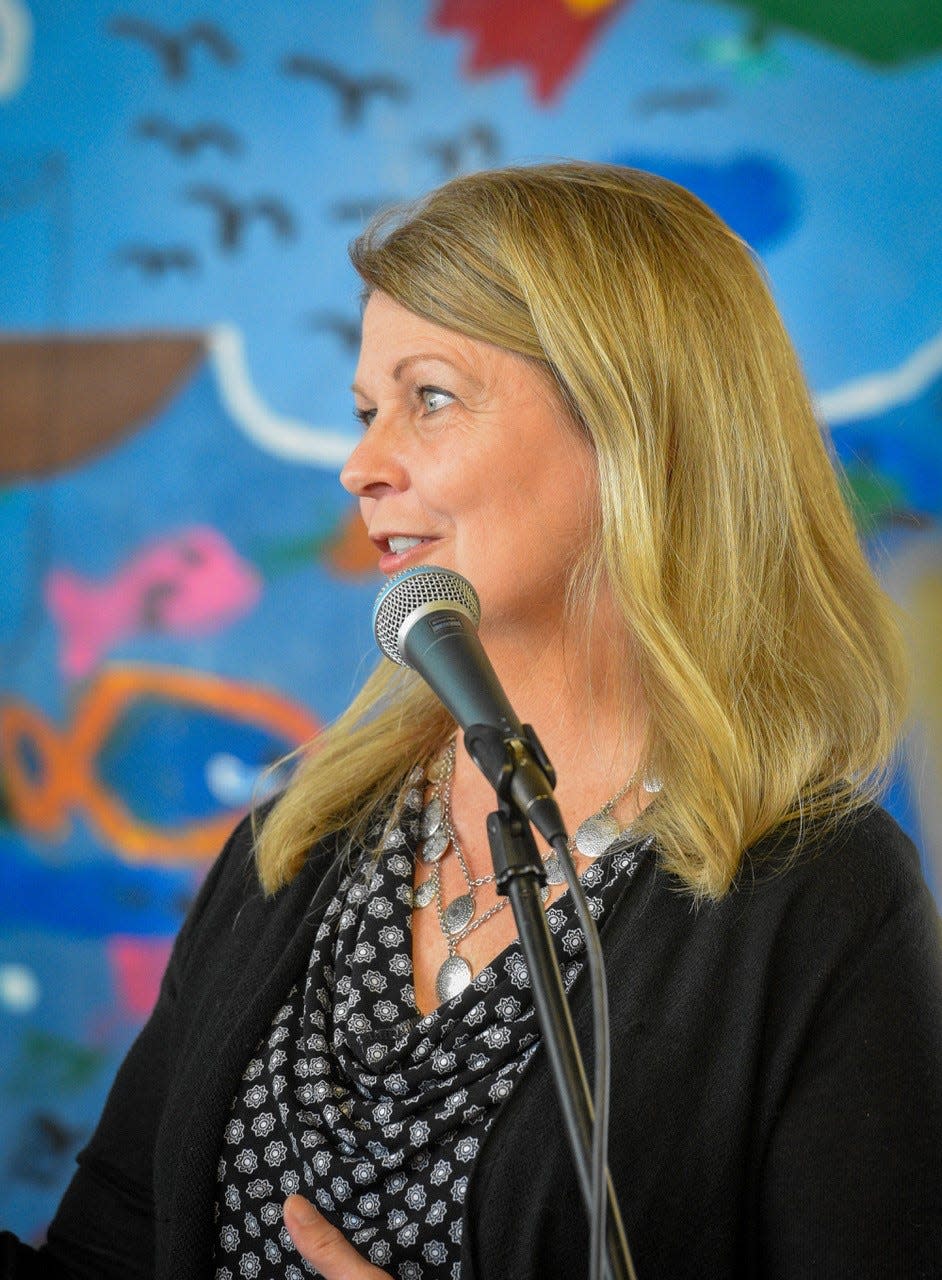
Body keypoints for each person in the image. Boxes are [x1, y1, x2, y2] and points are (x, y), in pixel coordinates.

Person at [3, 161, 941, 1280]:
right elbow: (105, 1258)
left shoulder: (825, 898)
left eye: (430, 396)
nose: (362, 464)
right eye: (364, 411)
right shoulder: (297, 841)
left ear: (634, 421)